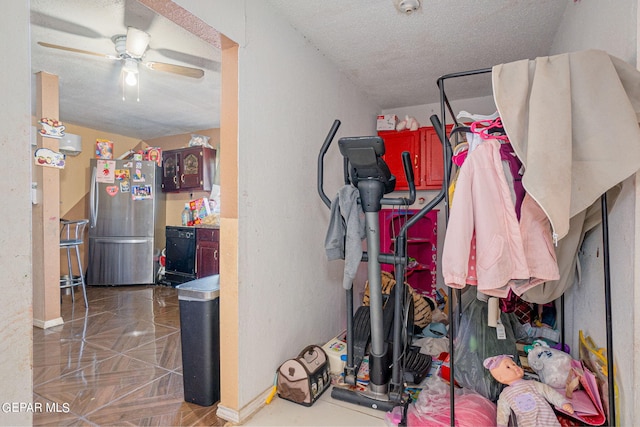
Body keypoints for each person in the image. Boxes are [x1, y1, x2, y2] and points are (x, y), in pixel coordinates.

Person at [483, 354, 573, 427]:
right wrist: (501, 425)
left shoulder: (532, 384)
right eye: (508, 367)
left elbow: (550, 393)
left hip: (549, 422)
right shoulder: (505, 394)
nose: (515, 367)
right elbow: (502, 412)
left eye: (514, 364)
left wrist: (563, 403)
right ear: (500, 378)